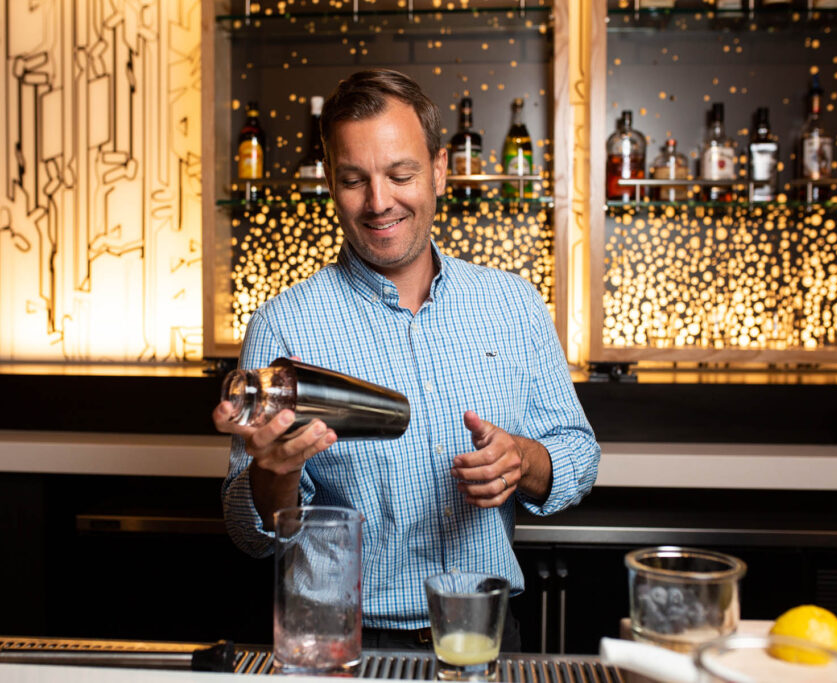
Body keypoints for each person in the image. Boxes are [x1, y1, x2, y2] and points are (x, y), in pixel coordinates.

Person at [216, 69, 600, 650]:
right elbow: (251, 534)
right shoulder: (283, 323)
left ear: (439, 169)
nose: (379, 202)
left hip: (480, 634)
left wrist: (523, 459)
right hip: (337, 641)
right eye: (354, 180)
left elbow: (579, 453)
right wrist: (275, 472)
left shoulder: (513, 304)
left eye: (401, 174)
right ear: (329, 181)